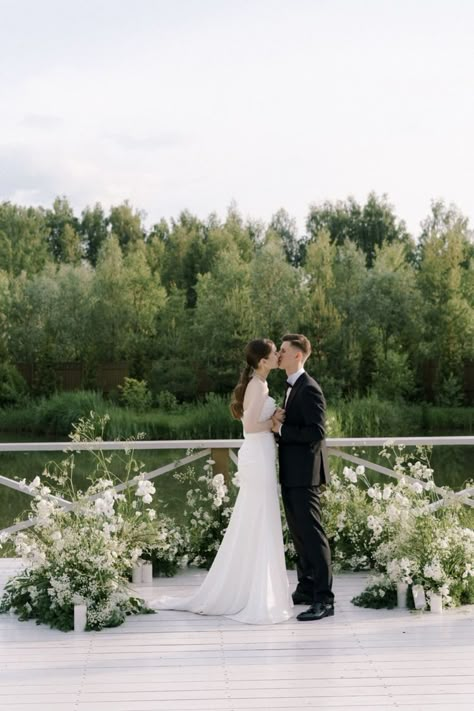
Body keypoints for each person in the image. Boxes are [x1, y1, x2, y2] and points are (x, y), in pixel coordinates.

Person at [150, 338, 293, 624]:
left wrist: (272, 422)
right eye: (275, 352)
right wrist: (275, 422)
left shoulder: (257, 383)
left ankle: (256, 586)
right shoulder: (259, 385)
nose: (279, 355)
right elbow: (251, 427)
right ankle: (253, 592)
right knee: (259, 516)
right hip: (258, 449)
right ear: (263, 361)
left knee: (257, 516)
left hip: (260, 452)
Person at [272, 333, 334, 621]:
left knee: (313, 535)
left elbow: (316, 432)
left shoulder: (309, 388)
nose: (279, 354)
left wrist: (281, 431)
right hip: (291, 472)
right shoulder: (291, 386)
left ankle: (325, 599)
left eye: (283, 350)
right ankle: (307, 587)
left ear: (298, 355)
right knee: (299, 534)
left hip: (306, 474)